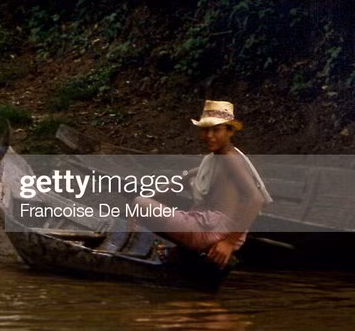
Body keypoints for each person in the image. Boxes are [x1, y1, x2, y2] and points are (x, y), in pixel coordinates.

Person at [99, 100, 271, 266]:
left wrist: (228, 243)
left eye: (216, 130)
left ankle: (129, 248)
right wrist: (173, 184)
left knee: (140, 203)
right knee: (147, 203)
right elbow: (191, 175)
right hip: (211, 225)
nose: (209, 136)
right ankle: (149, 249)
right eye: (205, 130)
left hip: (214, 231)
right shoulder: (218, 158)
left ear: (229, 132)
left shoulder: (230, 159)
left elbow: (256, 199)